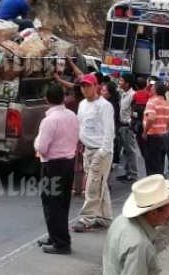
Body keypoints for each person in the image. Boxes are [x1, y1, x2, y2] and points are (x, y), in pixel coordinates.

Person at [34, 82, 79, 254]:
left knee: (52, 204)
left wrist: (36, 142)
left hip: (53, 165)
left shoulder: (49, 121)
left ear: (46, 99)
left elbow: (42, 148)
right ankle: (56, 236)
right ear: (62, 97)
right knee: (62, 204)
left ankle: (61, 243)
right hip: (67, 162)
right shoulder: (72, 115)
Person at [72, 73, 116, 233]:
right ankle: (105, 217)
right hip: (87, 150)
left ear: (96, 87)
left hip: (100, 152)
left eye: (88, 85)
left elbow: (109, 132)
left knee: (92, 186)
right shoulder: (82, 104)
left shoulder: (105, 106)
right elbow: (80, 125)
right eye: (82, 86)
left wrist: (102, 152)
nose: (84, 89)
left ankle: (87, 218)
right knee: (99, 184)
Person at [116, 74, 143, 183]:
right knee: (126, 152)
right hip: (122, 125)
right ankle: (128, 173)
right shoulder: (123, 93)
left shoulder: (133, 95)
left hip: (128, 127)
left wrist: (131, 124)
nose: (120, 82)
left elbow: (135, 111)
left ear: (127, 83)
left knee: (131, 151)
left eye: (122, 80)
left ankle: (133, 175)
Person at [140, 82, 169, 177]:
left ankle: (152, 188)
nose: (150, 89)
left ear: (155, 90)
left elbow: (151, 118)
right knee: (159, 165)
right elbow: (168, 122)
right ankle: (159, 186)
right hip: (164, 136)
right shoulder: (166, 103)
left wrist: (145, 132)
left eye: (152, 87)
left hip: (153, 137)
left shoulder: (152, 101)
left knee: (151, 166)